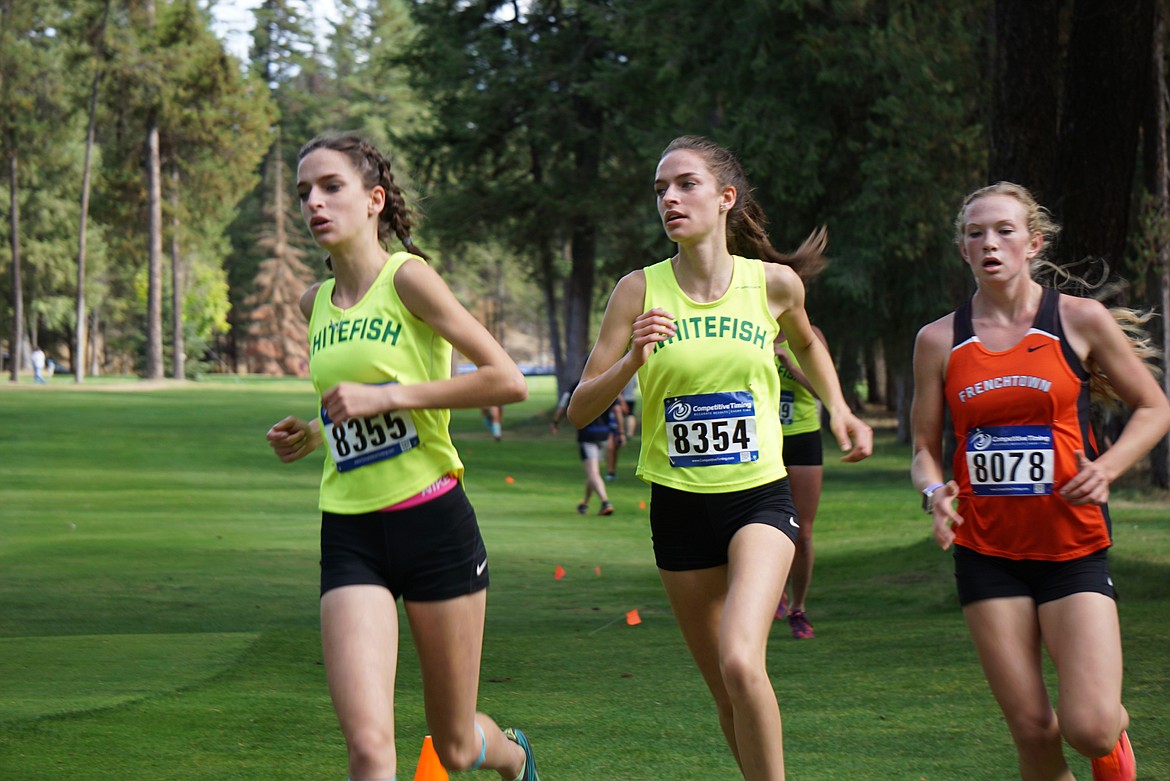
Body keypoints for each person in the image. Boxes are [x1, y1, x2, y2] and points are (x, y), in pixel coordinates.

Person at [567, 135, 872, 780]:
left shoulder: (774, 285)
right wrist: (631, 360)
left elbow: (809, 344)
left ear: (726, 198)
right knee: (724, 692)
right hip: (677, 508)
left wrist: (840, 407)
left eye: (685, 185)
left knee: (741, 659)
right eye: (660, 191)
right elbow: (579, 409)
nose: (669, 200)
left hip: (760, 497)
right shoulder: (636, 292)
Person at [266, 132, 541, 781]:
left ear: (373, 199)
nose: (313, 201)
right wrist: (312, 431)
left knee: (451, 746)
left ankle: (516, 754)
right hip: (351, 530)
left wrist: (387, 394)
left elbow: (508, 379)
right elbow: (353, 408)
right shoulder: (313, 303)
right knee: (367, 746)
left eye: (331, 186)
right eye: (304, 190)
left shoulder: (409, 278)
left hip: (433, 525)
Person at [910, 182, 1170, 781]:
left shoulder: (1077, 320)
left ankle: (1113, 742)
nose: (989, 243)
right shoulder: (938, 340)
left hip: (1071, 547)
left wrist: (1106, 468)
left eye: (1004, 230)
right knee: (1033, 731)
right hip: (986, 552)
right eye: (975, 233)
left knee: (1091, 726)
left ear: (1034, 242)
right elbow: (925, 446)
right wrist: (933, 492)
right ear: (963, 249)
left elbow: (1153, 407)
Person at [771, 325, 828, 639]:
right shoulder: (751, 327)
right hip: (765, 440)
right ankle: (773, 590)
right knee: (768, 525)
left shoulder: (809, 336)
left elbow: (825, 392)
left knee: (803, 534)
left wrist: (791, 365)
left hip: (804, 437)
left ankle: (798, 608)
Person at [551, 382, 621, 515]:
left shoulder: (577, 386)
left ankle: (605, 502)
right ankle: (585, 503)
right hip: (604, 435)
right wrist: (621, 432)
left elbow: (563, 406)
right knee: (593, 473)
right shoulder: (609, 383)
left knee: (593, 473)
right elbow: (617, 410)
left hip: (587, 435)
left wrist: (555, 422)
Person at [605, 376, 639, 479]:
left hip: (617, 402)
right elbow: (634, 385)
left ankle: (610, 471)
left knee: (613, 445)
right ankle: (629, 433)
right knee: (629, 416)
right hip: (627, 398)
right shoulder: (632, 371)